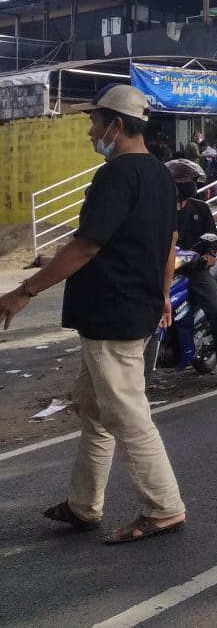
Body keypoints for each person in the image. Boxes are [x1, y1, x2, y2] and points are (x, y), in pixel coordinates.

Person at [0, 84, 186, 544]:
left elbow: (86, 244)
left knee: (126, 414)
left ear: (116, 126)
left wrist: (24, 292)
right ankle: (84, 505)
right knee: (94, 408)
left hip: (113, 314)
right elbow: (169, 245)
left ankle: (164, 508)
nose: (90, 132)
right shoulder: (161, 176)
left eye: (94, 123)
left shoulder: (117, 176)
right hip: (137, 307)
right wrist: (162, 296)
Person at [165, 159, 217, 385]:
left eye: (193, 181)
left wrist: (209, 255)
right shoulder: (160, 209)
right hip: (165, 269)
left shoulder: (200, 208)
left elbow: (212, 238)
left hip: (194, 270)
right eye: (188, 181)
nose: (192, 185)